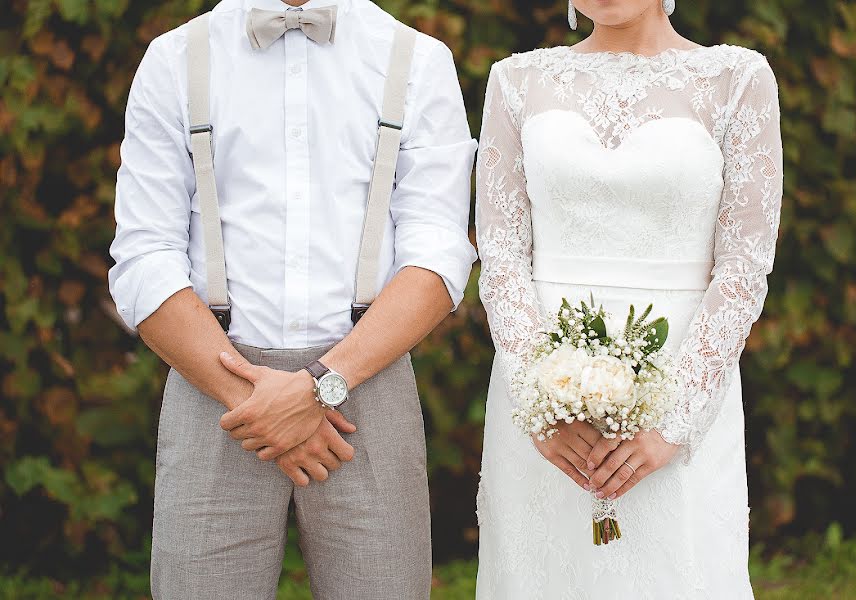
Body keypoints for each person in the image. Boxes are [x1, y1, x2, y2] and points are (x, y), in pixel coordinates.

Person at [108, 0, 476, 598]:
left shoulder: (417, 61)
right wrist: (255, 401)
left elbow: (437, 256)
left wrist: (320, 387)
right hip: (214, 385)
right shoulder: (174, 59)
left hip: (366, 386)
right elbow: (144, 255)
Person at [474, 0, 782, 597]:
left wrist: (675, 420)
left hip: (682, 379)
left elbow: (745, 262)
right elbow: (502, 254)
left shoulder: (737, 79)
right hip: (546, 391)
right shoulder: (516, 80)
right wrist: (541, 405)